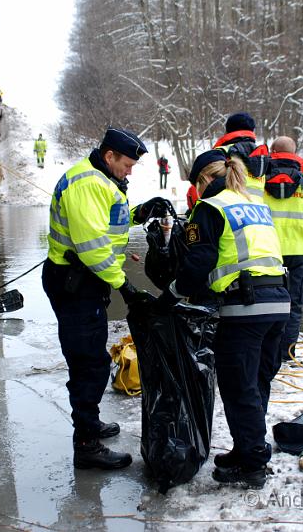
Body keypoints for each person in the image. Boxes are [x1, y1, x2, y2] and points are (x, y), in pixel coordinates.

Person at [153, 149, 290, 489]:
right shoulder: (255, 203)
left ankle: (253, 464)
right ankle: (248, 450)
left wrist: (172, 294)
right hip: (279, 304)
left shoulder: (209, 208)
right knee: (256, 384)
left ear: (203, 181)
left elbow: (199, 262)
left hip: (245, 307)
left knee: (238, 387)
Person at [43, 127, 169, 470]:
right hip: (75, 283)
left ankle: (91, 423)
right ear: (110, 156)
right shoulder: (88, 184)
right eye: (127, 164)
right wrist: (124, 286)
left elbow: (107, 224)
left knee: (91, 357)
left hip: (84, 282)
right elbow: (92, 246)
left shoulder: (99, 177)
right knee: (89, 364)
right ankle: (86, 444)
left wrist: (139, 213)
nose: (130, 171)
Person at [264, 137, 303, 362]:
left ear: (272, 151)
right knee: (294, 304)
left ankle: (266, 351)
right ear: (295, 153)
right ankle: (287, 354)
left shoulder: (258, 181)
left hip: (265, 252)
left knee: (265, 302)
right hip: (297, 252)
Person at [213, 112, 269, 199]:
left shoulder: (221, 152)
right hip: (258, 210)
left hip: (229, 209)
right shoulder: (262, 156)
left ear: (228, 130)